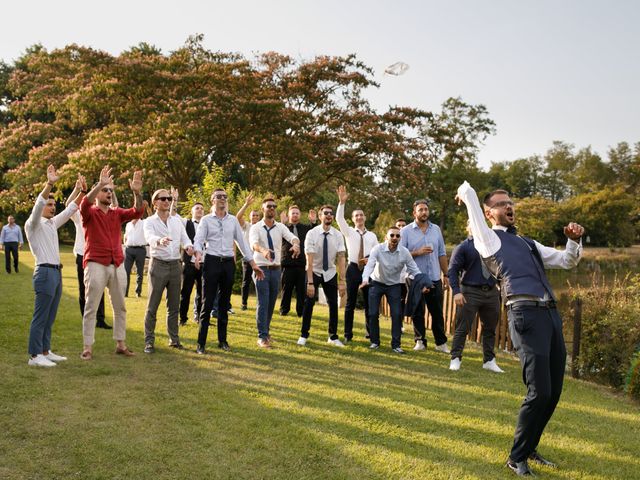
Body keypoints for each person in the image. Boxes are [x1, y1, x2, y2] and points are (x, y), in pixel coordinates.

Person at [456, 182, 584, 476]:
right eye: (501, 204)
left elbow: (567, 261)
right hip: (524, 313)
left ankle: (529, 448)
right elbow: (470, 194)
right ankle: (516, 458)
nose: (508, 206)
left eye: (510, 202)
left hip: (550, 315)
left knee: (553, 392)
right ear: (489, 214)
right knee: (539, 391)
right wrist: (463, 193)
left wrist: (574, 241)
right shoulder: (486, 239)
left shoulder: (528, 242)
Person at [80, 166, 144, 360]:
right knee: (91, 306)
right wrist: (100, 182)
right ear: (98, 192)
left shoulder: (116, 213)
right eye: (105, 190)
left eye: (110, 191)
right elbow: (83, 203)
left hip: (116, 263)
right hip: (95, 263)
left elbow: (137, 211)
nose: (109, 193)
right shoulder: (89, 212)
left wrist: (137, 193)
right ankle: (87, 347)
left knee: (120, 306)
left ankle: (120, 344)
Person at [25, 166, 85, 367]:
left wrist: (81, 192)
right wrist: (49, 184)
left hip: (56, 272)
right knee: (40, 316)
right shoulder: (33, 224)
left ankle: (45, 350)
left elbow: (70, 210)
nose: (52, 207)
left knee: (50, 316)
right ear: (41, 207)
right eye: (49, 204)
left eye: (53, 204)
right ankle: (35, 356)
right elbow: (38, 205)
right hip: (44, 272)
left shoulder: (51, 224)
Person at [193, 188, 264, 354]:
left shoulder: (232, 220)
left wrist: (253, 263)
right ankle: (201, 343)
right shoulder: (205, 220)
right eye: (219, 197)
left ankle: (222, 341)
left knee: (224, 304)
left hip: (227, 264)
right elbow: (199, 240)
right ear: (213, 200)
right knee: (207, 303)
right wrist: (197, 254)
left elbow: (242, 243)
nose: (223, 199)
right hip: (211, 262)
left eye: (225, 197)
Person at [142, 188, 193, 353]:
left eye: (169, 198)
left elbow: (184, 238)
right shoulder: (149, 221)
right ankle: (149, 341)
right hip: (158, 265)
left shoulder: (176, 221)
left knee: (174, 306)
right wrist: (159, 240)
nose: (166, 201)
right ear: (155, 203)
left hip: (175, 266)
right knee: (153, 305)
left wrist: (189, 247)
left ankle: (174, 339)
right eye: (163, 198)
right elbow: (149, 237)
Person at [447, 225, 504, 373]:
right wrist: (456, 292)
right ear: (468, 228)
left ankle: (489, 360)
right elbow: (452, 270)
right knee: (462, 328)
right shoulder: (463, 247)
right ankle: (456, 358)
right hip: (469, 292)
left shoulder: (492, 247)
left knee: (490, 329)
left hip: (491, 293)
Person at [399, 199, 450, 353]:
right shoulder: (405, 231)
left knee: (437, 312)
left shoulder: (436, 230)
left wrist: (446, 274)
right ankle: (420, 341)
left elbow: (441, 253)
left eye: (426, 209)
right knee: (417, 311)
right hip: (415, 278)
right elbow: (401, 255)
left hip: (434, 277)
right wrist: (418, 252)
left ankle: (441, 343)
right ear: (414, 213)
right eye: (420, 210)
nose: (424, 212)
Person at [360, 226, 421, 354]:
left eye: (397, 236)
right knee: (372, 313)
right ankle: (375, 342)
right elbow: (369, 265)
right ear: (386, 237)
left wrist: (423, 282)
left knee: (397, 314)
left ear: (400, 238)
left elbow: (415, 270)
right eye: (392, 235)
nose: (394, 238)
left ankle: (396, 345)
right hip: (376, 282)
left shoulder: (405, 252)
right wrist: (365, 279)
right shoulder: (377, 249)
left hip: (394, 285)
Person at [249, 198, 300, 347]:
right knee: (263, 302)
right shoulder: (256, 227)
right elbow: (254, 244)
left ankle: (266, 331)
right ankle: (262, 337)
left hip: (276, 269)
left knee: (271, 303)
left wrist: (296, 245)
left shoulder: (280, 227)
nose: (272, 208)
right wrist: (263, 250)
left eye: (274, 206)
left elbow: (292, 237)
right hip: (261, 269)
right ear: (263, 208)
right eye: (268, 206)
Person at [297, 205, 347, 347]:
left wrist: (342, 281)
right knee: (309, 303)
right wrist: (310, 283)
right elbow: (309, 259)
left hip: (330, 272)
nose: (329, 215)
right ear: (320, 216)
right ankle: (304, 335)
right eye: (326, 213)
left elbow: (341, 258)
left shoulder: (338, 235)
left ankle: (333, 337)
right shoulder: (312, 234)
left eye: (331, 213)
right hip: (314, 270)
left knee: (333, 304)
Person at [336, 186, 378, 342]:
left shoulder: (372, 236)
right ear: (353, 219)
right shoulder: (349, 232)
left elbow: (377, 253)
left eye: (361, 215)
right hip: (353, 269)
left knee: (369, 304)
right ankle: (348, 335)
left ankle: (371, 334)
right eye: (356, 216)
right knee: (350, 303)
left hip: (368, 270)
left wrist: (371, 260)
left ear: (365, 218)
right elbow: (339, 219)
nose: (359, 217)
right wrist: (341, 203)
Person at [67, 183, 109, 329]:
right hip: (82, 254)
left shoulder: (100, 213)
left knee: (100, 287)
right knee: (84, 288)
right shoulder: (79, 214)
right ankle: (86, 317)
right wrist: (78, 189)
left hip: (98, 255)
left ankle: (101, 319)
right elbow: (68, 204)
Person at [279, 206, 317, 318]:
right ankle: (284, 310)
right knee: (286, 289)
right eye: (293, 213)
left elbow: (315, 233)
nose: (295, 215)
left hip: (301, 264)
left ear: (300, 215)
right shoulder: (283, 228)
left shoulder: (306, 228)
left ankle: (301, 311)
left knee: (301, 290)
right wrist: (282, 224)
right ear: (289, 215)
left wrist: (314, 222)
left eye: (297, 213)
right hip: (287, 264)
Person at [179, 201, 204, 325]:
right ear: (192, 211)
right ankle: (182, 319)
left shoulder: (207, 224)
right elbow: (173, 215)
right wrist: (174, 200)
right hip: (188, 264)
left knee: (202, 292)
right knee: (186, 292)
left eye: (201, 209)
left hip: (204, 264)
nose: (199, 210)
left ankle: (199, 317)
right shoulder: (185, 223)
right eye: (197, 208)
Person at [236, 194, 259, 310]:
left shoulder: (261, 227)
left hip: (259, 259)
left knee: (259, 282)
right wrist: (246, 205)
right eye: (253, 215)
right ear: (250, 217)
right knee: (246, 281)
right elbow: (237, 217)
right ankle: (244, 303)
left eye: (256, 215)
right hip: (247, 258)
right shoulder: (246, 226)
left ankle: (260, 303)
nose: (255, 217)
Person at [123, 214, 147, 298]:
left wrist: (147, 207)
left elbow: (151, 216)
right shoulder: (128, 224)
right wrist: (125, 244)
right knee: (126, 271)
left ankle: (138, 292)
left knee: (139, 272)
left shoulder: (144, 223)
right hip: (129, 249)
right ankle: (125, 292)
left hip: (140, 249)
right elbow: (125, 236)